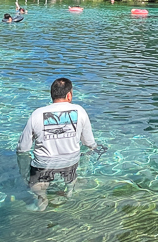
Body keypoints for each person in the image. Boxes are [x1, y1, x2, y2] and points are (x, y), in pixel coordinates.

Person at [16, 78, 104, 211]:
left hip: (43, 164)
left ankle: (42, 201)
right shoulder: (80, 111)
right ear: (69, 95)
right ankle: (69, 192)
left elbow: (23, 148)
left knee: (38, 185)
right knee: (71, 171)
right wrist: (96, 149)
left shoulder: (37, 114)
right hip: (70, 162)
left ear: (52, 94)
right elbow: (89, 142)